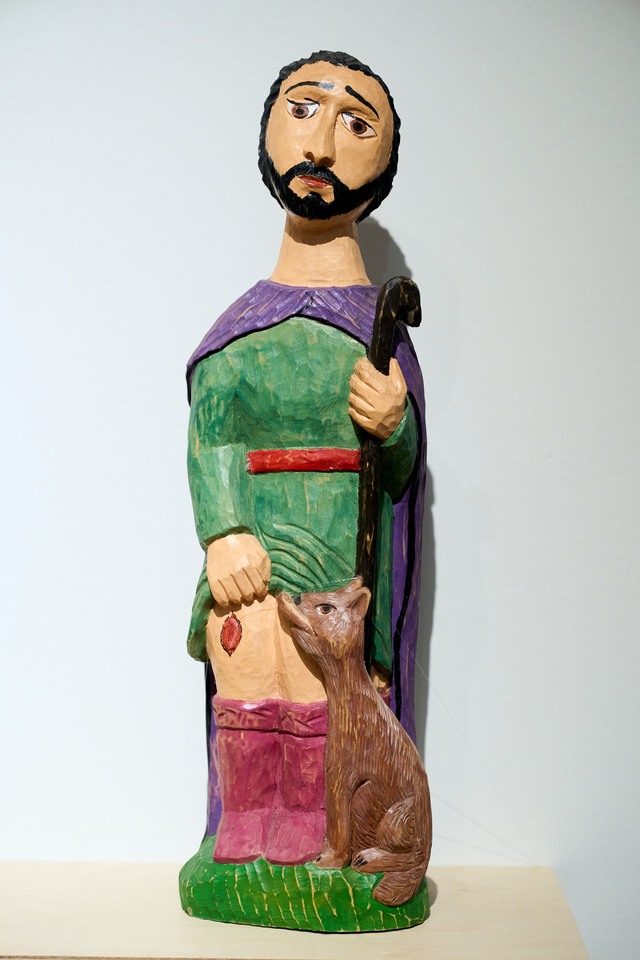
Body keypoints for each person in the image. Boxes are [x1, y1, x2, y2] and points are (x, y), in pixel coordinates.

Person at [185, 50, 426, 867]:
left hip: (338, 557)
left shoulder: (375, 329)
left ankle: (320, 824)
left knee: (326, 684)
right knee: (249, 663)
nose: (321, 144)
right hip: (254, 553)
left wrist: (395, 424)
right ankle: (247, 820)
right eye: (303, 110)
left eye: (356, 124)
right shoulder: (237, 329)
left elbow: (400, 475)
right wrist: (225, 531)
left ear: (382, 167)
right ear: (267, 133)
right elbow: (212, 430)